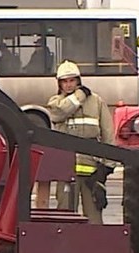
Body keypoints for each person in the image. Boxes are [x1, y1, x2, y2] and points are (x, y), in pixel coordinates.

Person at [46, 61, 113, 223]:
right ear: (59, 84)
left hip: (92, 172)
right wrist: (80, 95)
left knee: (94, 219)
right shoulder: (55, 103)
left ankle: (95, 248)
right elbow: (61, 112)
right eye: (65, 81)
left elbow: (108, 134)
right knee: (65, 218)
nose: (69, 85)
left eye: (72, 80)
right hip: (65, 170)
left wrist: (106, 168)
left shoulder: (96, 101)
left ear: (78, 81)